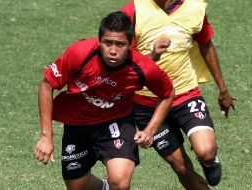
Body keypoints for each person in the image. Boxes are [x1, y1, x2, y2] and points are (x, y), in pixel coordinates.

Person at [34, 11, 174, 190]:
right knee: (76, 186)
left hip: (116, 121)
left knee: (120, 182)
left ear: (130, 44)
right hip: (78, 123)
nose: (113, 50)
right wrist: (46, 135)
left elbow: (168, 93)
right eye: (108, 43)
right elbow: (47, 86)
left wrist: (149, 130)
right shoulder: (80, 53)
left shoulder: (143, 68)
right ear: (99, 40)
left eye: (120, 44)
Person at [122, 0, 236, 189]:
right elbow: (122, 57)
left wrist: (223, 89)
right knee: (181, 167)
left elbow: (205, 44)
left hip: (185, 95)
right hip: (146, 104)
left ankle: (209, 161)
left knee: (206, 151)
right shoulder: (134, 9)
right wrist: (151, 55)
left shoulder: (195, 7)